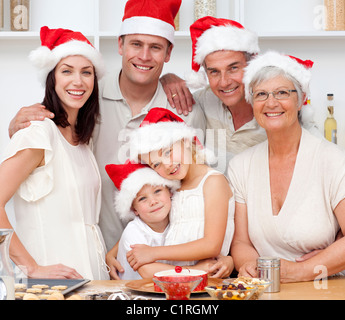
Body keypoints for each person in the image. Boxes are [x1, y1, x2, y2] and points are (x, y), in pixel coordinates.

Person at [8, 0, 206, 254]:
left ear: (168, 54)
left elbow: (195, 192)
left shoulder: (185, 111)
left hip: (164, 259)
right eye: (136, 44)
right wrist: (18, 127)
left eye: (155, 47)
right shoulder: (85, 101)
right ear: (120, 45)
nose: (145, 56)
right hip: (94, 257)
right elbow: (50, 133)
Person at [0, 26, 109, 280]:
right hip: (51, 285)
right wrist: (32, 268)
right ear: (52, 78)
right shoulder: (38, 133)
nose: (78, 81)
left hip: (90, 280)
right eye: (67, 71)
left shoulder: (82, 140)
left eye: (86, 72)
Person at [228, 51, 345, 282]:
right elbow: (241, 242)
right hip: (264, 290)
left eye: (282, 92)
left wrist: (302, 270)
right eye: (261, 94)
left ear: (301, 100)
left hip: (323, 290)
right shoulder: (240, 166)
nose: (271, 103)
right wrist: (251, 266)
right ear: (252, 103)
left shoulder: (331, 160)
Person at [161, 16, 320, 174]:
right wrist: (166, 79)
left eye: (233, 68)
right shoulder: (203, 101)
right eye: (214, 72)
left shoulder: (274, 110)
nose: (224, 82)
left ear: (252, 65)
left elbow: (321, 153)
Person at [125, 107, 234, 274]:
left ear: (185, 141)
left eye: (168, 152)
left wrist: (153, 253)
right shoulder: (173, 189)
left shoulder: (213, 182)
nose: (167, 164)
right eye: (156, 164)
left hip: (209, 277)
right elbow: (152, 222)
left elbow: (212, 245)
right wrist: (114, 251)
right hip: (176, 280)